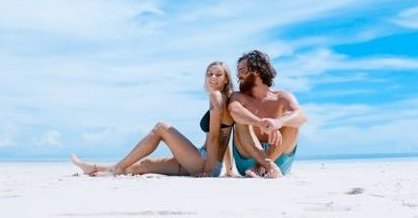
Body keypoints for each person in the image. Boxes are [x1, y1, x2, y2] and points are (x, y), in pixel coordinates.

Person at [71, 61, 238, 177]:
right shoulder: (225, 99)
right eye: (210, 74)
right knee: (145, 165)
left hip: (203, 162)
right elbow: (224, 135)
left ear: (226, 80)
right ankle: (92, 168)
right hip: (206, 160)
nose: (213, 77)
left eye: (218, 74)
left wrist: (209, 170)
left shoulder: (216, 97)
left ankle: (116, 169)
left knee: (161, 128)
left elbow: (216, 137)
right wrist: (228, 168)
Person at [228, 50, 306, 178]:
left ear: (257, 71)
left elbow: (301, 116)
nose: (238, 74)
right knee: (241, 122)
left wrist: (279, 122)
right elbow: (234, 111)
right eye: (238, 70)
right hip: (248, 158)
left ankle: (261, 166)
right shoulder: (239, 97)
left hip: (278, 158)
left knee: (293, 124)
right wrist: (261, 123)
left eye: (242, 70)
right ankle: (267, 165)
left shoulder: (281, 97)